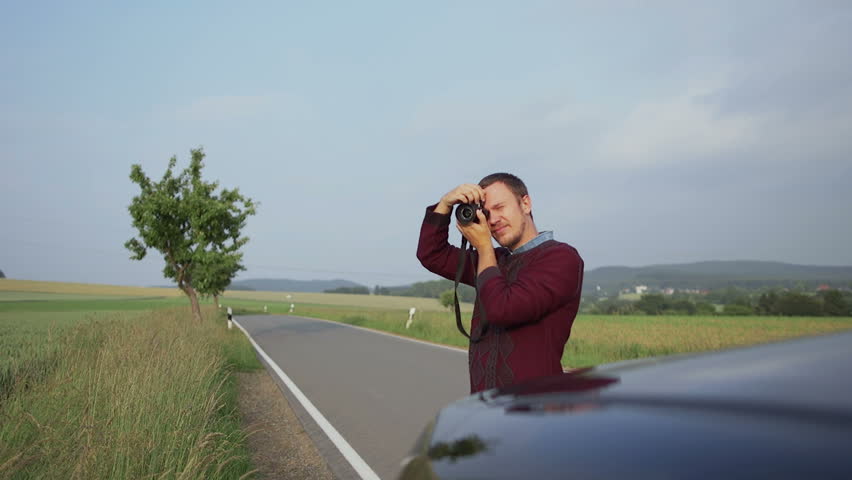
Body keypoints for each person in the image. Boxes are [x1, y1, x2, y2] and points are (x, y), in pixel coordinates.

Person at [417, 173, 584, 393]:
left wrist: (484, 248)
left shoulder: (561, 258)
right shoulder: (495, 261)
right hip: (485, 405)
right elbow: (432, 254)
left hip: (535, 405)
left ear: (525, 204)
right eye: (486, 213)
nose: (493, 220)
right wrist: (445, 203)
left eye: (500, 207)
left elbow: (502, 309)